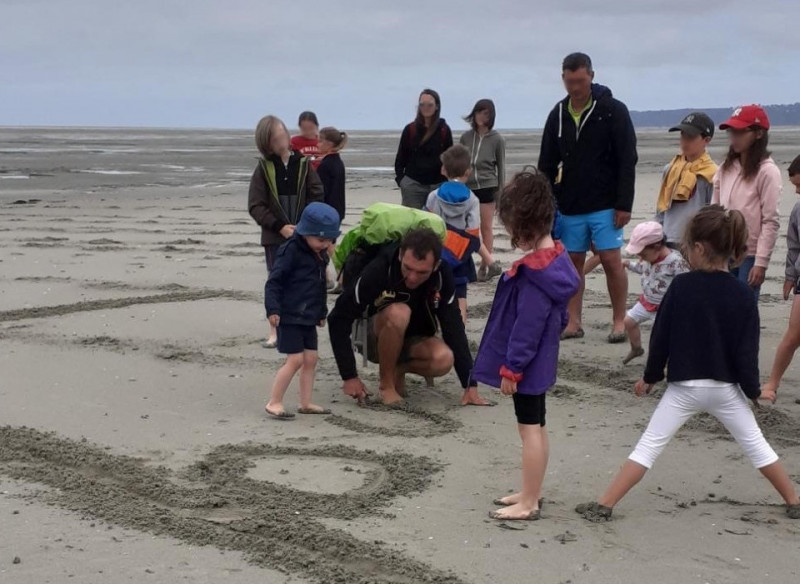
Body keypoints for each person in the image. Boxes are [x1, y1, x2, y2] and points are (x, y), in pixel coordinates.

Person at [576, 206, 800, 522]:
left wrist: (651, 377)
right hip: (725, 389)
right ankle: (793, 500)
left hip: (683, 389)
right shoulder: (743, 295)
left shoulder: (680, 287)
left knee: (647, 448)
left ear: (698, 248)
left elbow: (661, 339)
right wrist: (754, 392)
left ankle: (605, 504)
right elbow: (746, 352)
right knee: (758, 448)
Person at [473, 170, 581, 521]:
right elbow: (560, 316)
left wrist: (512, 368)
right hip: (543, 359)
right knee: (537, 426)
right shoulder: (557, 260)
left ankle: (530, 502)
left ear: (522, 227)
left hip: (529, 364)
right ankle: (531, 490)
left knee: (529, 429)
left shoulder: (537, 274)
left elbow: (527, 328)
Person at [327, 228, 492, 407]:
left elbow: (453, 327)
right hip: (375, 335)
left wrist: (470, 385)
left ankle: (396, 369)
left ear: (436, 265)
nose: (412, 278)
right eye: (407, 268)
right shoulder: (381, 268)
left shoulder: (442, 274)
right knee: (399, 312)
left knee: (443, 359)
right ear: (400, 255)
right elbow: (337, 318)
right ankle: (386, 386)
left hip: (415, 338)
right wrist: (349, 376)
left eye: (422, 272)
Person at [538, 52, 637, 344]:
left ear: (591, 76)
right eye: (570, 82)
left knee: (610, 260)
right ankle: (573, 321)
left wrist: (624, 204)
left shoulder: (613, 110)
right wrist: (547, 203)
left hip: (607, 204)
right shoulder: (557, 114)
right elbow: (546, 163)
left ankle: (619, 320)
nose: (575, 88)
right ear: (563, 79)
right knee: (572, 263)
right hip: (570, 204)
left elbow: (627, 159)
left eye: (580, 81)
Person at [248, 115, 324, 348]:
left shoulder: (303, 164)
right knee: (277, 278)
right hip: (274, 237)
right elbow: (255, 206)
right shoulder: (263, 168)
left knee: (304, 280)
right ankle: (274, 330)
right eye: (275, 138)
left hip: (303, 235)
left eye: (282, 134)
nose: (281, 141)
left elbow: (317, 193)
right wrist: (279, 227)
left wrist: (305, 227)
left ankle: (303, 324)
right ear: (266, 142)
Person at [264, 203, 341, 419]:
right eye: (321, 240)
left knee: (311, 359)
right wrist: (272, 309)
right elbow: (273, 282)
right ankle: (274, 401)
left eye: (329, 240)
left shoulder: (320, 254)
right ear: (305, 232)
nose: (325, 245)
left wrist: (321, 312)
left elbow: (319, 287)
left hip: (309, 315)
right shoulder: (290, 251)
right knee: (295, 360)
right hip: (289, 315)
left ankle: (305, 402)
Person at [712, 104, 782, 301]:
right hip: (724, 250)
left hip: (749, 254)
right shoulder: (725, 168)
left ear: (758, 134)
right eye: (732, 132)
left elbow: (770, 220)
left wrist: (761, 262)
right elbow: (714, 210)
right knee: (722, 304)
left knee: (744, 306)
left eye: (741, 132)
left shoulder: (767, 171)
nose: (734, 137)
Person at [425, 145, 502, 322]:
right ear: (468, 172)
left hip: (438, 254)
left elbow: (429, 226)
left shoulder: (433, 196)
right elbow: (473, 233)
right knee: (460, 296)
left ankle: (435, 327)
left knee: (434, 291)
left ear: (443, 169)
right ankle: (460, 331)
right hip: (460, 256)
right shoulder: (472, 200)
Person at [622, 222, 688, 365]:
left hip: (665, 308)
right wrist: (630, 265)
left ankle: (669, 362)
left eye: (643, 253)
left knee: (663, 337)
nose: (641, 256)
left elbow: (686, 282)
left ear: (657, 246)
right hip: (646, 302)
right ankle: (636, 348)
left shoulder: (675, 261)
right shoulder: (649, 258)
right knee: (628, 321)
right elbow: (642, 269)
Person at [761, 155, 800, 397]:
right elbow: (794, 245)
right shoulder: (798, 210)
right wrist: (789, 277)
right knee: (794, 334)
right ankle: (771, 384)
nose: (797, 191)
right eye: (795, 186)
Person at [655, 112, 717, 248]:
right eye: (683, 135)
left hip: (694, 242)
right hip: (667, 238)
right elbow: (661, 208)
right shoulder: (670, 168)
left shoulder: (712, 173)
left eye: (691, 137)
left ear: (706, 140)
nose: (685, 141)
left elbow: (713, 215)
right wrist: (657, 235)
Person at [460, 99, 506, 280]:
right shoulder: (465, 137)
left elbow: (501, 168)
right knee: (467, 228)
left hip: (488, 187)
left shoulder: (497, 139)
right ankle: (467, 264)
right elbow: (459, 162)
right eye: (479, 112)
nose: (481, 116)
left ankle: (485, 266)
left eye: (486, 113)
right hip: (467, 188)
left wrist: (501, 194)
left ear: (491, 116)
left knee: (486, 228)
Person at [395, 89, 454, 209]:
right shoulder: (410, 129)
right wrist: (402, 181)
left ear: (437, 106)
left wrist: (447, 181)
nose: (426, 107)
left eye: (430, 104)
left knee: (436, 224)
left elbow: (450, 160)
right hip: (413, 185)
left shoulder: (444, 130)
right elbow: (400, 159)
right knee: (411, 224)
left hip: (438, 186)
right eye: (422, 104)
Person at [316, 127, 348, 222]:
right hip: (338, 211)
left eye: (320, 142)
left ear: (329, 144)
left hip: (326, 212)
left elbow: (322, 192)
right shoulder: (338, 162)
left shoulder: (325, 164)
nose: (317, 145)